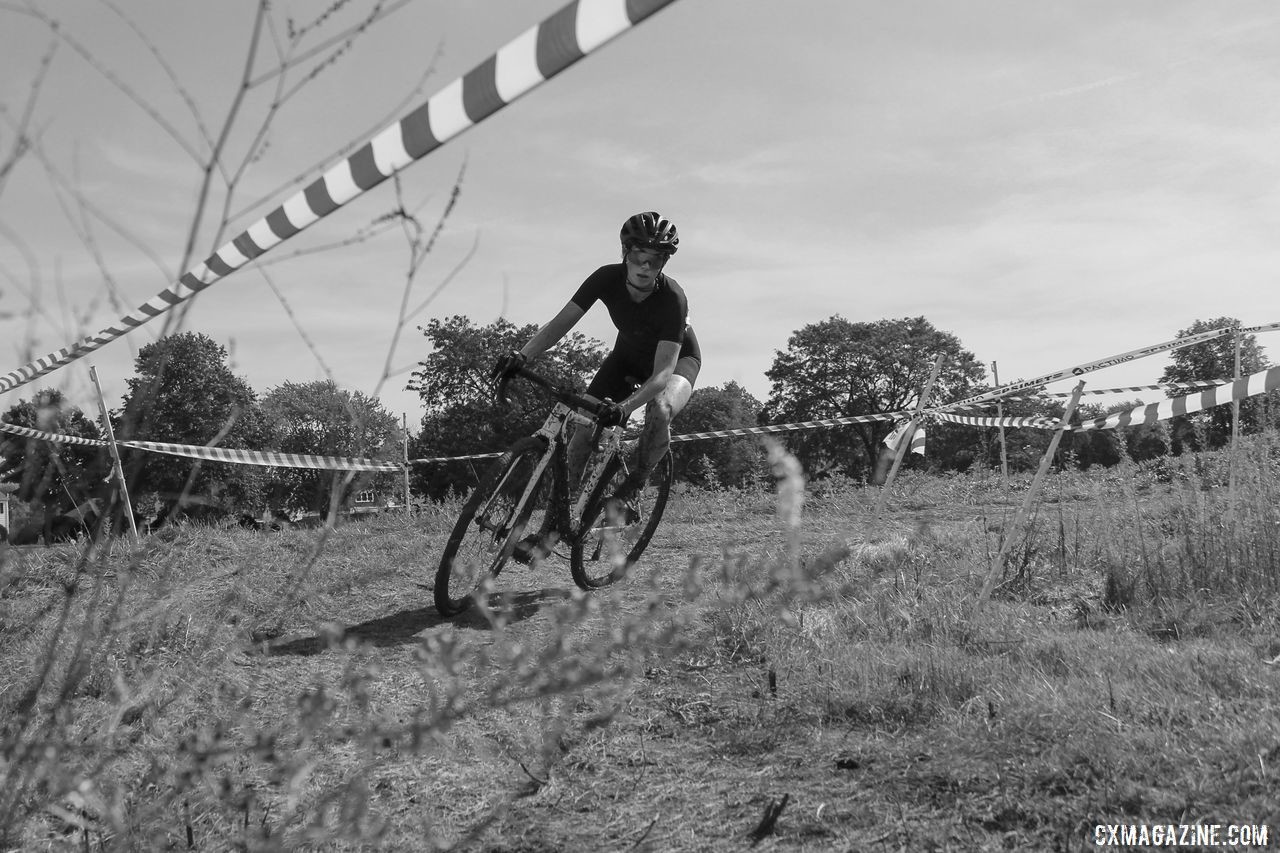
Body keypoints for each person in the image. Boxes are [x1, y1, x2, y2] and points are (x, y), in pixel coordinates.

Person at [490, 210, 701, 533]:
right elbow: (561, 323)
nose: (645, 267)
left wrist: (625, 408)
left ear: (663, 264)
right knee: (583, 432)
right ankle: (554, 526)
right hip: (626, 358)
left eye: (654, 261)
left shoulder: (673, 299)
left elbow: (662, 374)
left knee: (659, 409)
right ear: (624, 254)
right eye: (638, 257)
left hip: (675, 364)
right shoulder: (605, 278)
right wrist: (522, 355)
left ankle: (634, 486)